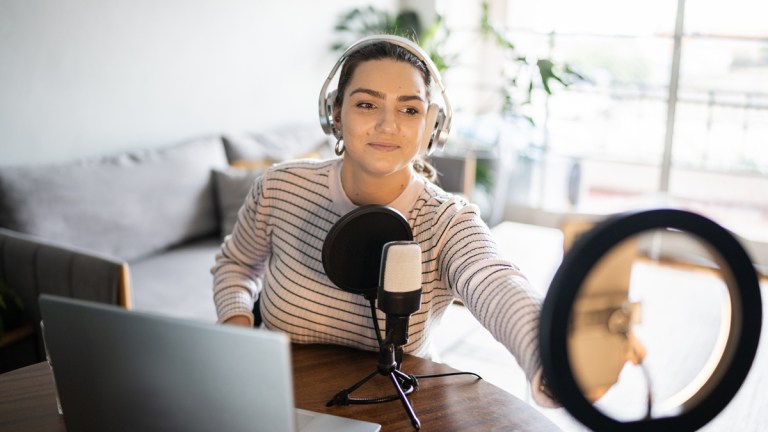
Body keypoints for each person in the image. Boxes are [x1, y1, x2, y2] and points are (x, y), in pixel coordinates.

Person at [211, 35, 557, 407]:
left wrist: (554, 356)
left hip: (395, 407)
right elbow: (237, 263)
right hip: (280, 397)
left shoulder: (447, 222)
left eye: (409, 110)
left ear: (432, 126)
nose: (388, 125)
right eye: (366, 104)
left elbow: (496, 282)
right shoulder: (280, 187)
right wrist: (237, 326)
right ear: (336, 115)